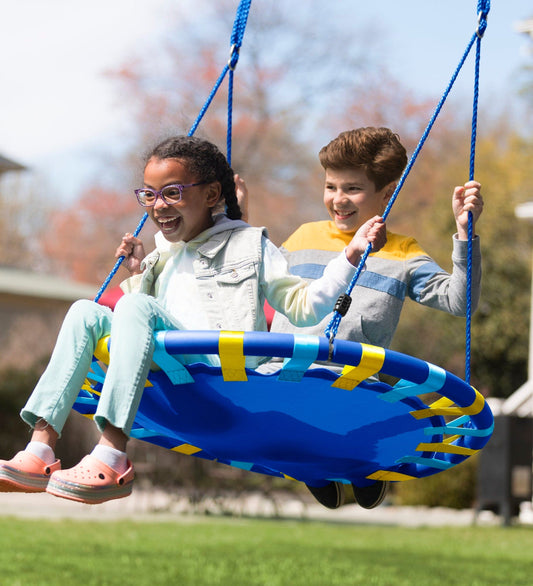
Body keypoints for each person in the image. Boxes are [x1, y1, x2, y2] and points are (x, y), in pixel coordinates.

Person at [0, 135, 387, 505]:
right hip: (169, 376)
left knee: (133, 310)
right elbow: (142, 328)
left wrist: (349, 256)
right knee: (85, 310)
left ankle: (113, 454)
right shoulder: (163, 255)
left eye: (173, 193)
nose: (159, 206)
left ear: (212, 195)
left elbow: (305, 307)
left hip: (223, 376)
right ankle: (40, 447)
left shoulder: (251, 246)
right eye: (149, 195)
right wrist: (138, 273)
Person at [246, 127, 484, 510]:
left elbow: (460, 301)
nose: (338, 200)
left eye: (352, 189)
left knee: (348, 422)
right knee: (279, 417)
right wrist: (238, 222)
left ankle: (363, 465)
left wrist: (464, 232)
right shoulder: (303, 237)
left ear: (387, 193)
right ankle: (312, 467)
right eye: (331, 187)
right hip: (286, 375)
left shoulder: (402, 252)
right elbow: (252, 281)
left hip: (351, 382)